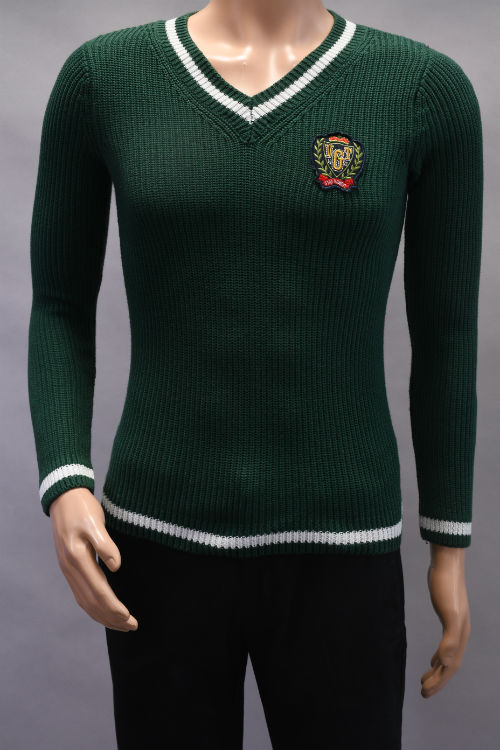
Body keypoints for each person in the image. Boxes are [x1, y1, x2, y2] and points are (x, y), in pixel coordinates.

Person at [27, 1, 482, 748]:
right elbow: (58, 305)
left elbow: (447, 336)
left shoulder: (422, 91)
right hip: (156, 543)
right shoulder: (103, 80)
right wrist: (65, 480)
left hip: (344, 548)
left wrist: (449, 543)